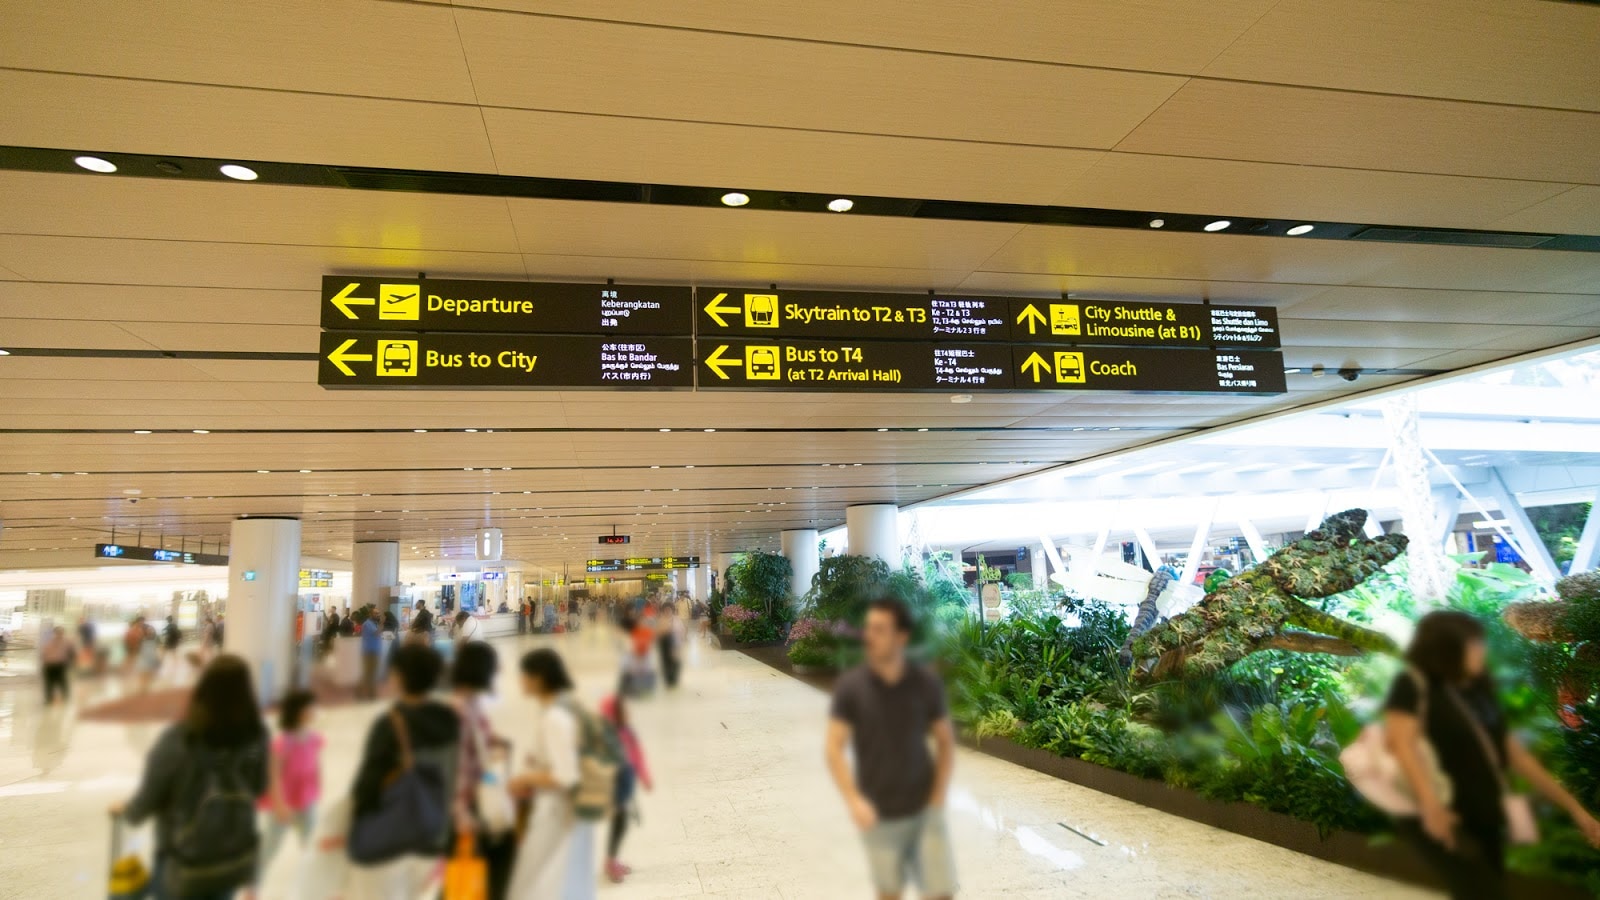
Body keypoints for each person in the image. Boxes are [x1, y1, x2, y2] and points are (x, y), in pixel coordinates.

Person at [1386, 611, 1600, 899]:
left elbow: (1518, 758)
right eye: (1474, 643)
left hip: (1482, 811)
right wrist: (1431, 806)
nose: (1482, 650)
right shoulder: (1412, 685)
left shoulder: (1478, 691)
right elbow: (1403, 747)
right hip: (1439, 807)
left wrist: (1577, 811)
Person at [827, 597, 956, 900]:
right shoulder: (852, 687)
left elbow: (945, 741)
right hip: (879, 812)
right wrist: (854, 801)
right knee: (889, 893)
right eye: (869, 628)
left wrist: (936, 799)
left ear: (901, 637)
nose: (870, 636)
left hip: (924, 808)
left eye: (880, 629)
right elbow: (834, 747)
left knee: (939, 893)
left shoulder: (924, 682)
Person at [112, 655, 268, 899]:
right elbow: (260, 788)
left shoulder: (181, 737)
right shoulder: (257, 737)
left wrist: (129, 812)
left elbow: (151, 794)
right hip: (229, 858)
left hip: (181, 859)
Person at [346, 643, 460, 897]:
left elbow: (368, 785)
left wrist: (352, 822)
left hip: (396, 839)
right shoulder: (449, 719)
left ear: (400, 677)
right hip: (437, 832)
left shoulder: (391, 724)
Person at [507, 649, 595, 900]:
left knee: (534, 885)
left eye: (524, 675)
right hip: (558, 812)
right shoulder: (558, 710)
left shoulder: (555, 717)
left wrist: (525, 779)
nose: (520, 681)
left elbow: (565, 776)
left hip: (554, 813)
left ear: (538, 678)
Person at [451, 642, 515, 899]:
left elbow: (479, 746)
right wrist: (461, 814)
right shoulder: (460, 709)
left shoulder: (471, 703)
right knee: (479, 877)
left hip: (479, 799)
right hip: (468, 809)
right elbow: (457, 766)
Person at [257, 690, 323, 882]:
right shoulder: (282, 742)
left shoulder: (314, 738)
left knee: (311, 844)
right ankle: (253, 886)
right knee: (270, 847)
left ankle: (319, 886)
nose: (315, 710)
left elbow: (315, 764)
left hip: (306, 799)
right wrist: (279, 804)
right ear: (299, 711)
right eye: (311, 706)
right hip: (284, 803)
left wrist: (317, 788)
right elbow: (274, 775)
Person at [600, 693, 651, 884]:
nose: (627, 713)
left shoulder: (627, 732)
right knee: (619, 823)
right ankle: (610, 862)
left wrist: (644, 776)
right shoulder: (606, 736)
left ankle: (612, 859)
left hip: (625, 782)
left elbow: (637, 754)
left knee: (621, 824)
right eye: (622, 710)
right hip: (614, 787)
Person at [39, 626, 74, 706]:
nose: (59, 634)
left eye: (60, 632)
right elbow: (44, 653)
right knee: (49, 683)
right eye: (57, 632)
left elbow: (71, 654)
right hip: (49, 665)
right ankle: (49, 699)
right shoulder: (50, 641)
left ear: (63, 633)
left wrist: (69, 663)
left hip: (60, 665)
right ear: (55, 633)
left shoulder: (67, 642)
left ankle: (65, 698)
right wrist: (44, 661)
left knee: (62, 682)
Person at [358, 607, 383, 700]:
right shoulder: (368, 624)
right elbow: (377, 633)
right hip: (369, 651)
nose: (378, 615)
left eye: (378, 613)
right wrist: (381, 624)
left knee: (370, 673)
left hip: (375, 651)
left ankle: (365, 692)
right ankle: (369, 694)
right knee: (369, 673)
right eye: (376, 613)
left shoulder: (374, 623)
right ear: (370, 614)